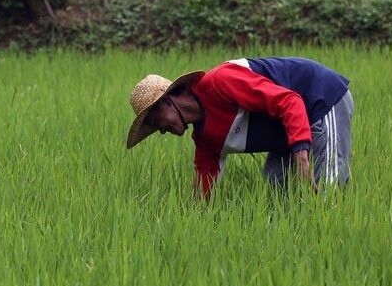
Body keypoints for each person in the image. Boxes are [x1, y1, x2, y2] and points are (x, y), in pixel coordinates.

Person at [126, 57, 354, 199]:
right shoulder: (205, 140)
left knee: (328, 191)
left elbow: (290, 101)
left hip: (319, 99)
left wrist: (302, 159)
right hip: (286, 127)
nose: (162, 131)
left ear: (167, 101)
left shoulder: (220, 82)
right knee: (279, 193)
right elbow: (203, 192)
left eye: (157, 123)